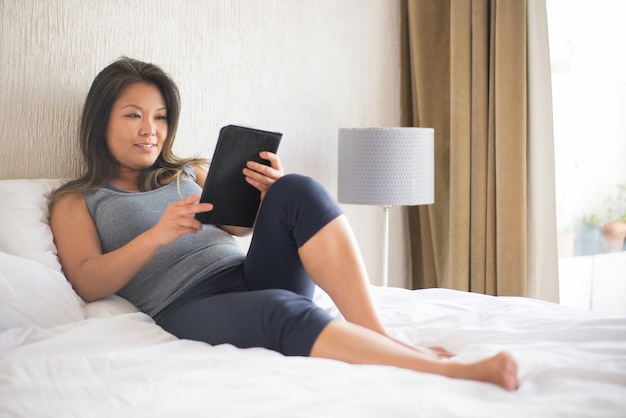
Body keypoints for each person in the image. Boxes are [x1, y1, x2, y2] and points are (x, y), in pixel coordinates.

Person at [50, 57, 518, 391]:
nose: (149, 129)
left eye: (160, 117)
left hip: (246, 273)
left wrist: (267, 197)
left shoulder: (187, 172)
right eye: (133, 115)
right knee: (279, 309)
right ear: (100, 121)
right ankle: (446, 374)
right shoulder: (78, 200)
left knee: (298, 187)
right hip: (186, 303)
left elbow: (238, 227)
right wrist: (157, 235)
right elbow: (89, 282)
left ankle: (376, 332)